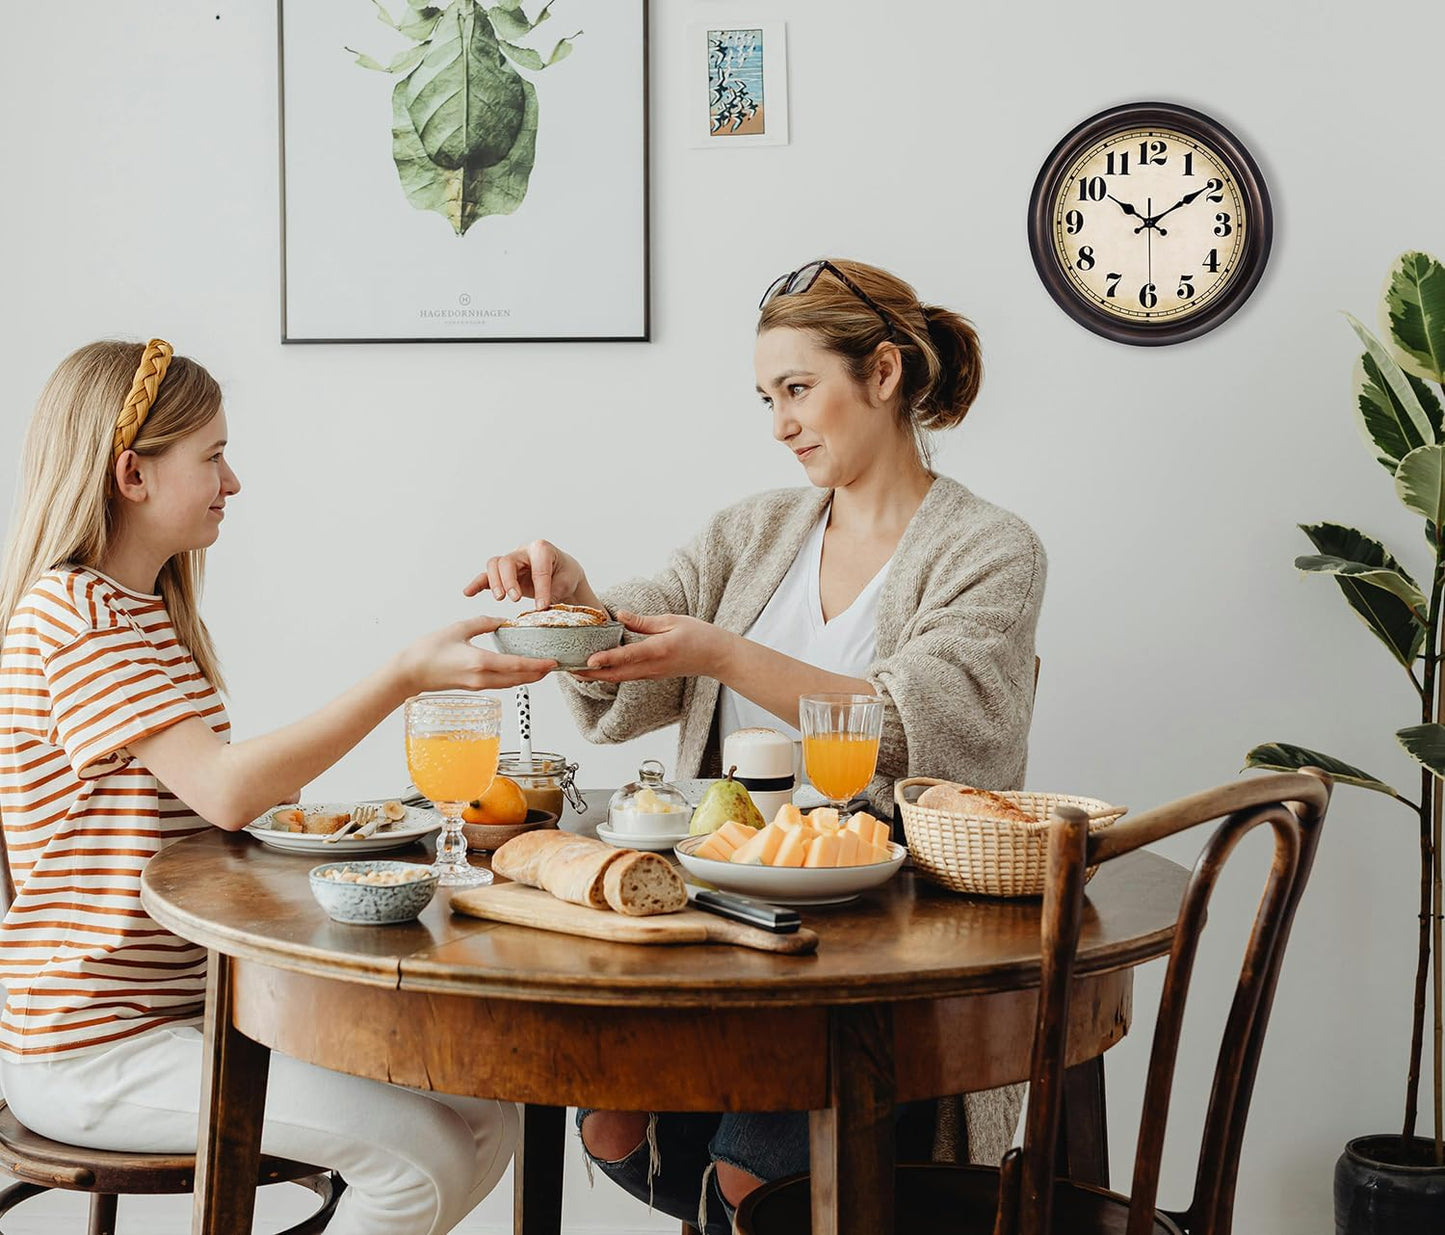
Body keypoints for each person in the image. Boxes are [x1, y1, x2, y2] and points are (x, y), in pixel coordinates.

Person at [467, 259, 1046, 1231]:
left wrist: (726, 654)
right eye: (765, 396)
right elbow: (643, 650)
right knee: (611, 1124)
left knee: (751, 1182)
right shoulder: (754, 529)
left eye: (796, 388)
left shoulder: (989, 549)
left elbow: (914, 721)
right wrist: (579, 602)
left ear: (885, 373)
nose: (779, 421)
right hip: (718, 927)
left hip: (876, 950)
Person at [0, 339, 558, 1235]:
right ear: (131, 473)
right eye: (213, 455)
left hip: (190, 1013)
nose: (234, 480)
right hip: (94, 1048)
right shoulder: (73, 614)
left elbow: (224, 807)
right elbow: (224, 793)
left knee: (486, 1108)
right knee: (421, 1158)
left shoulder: (147, 613)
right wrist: (405, 674)